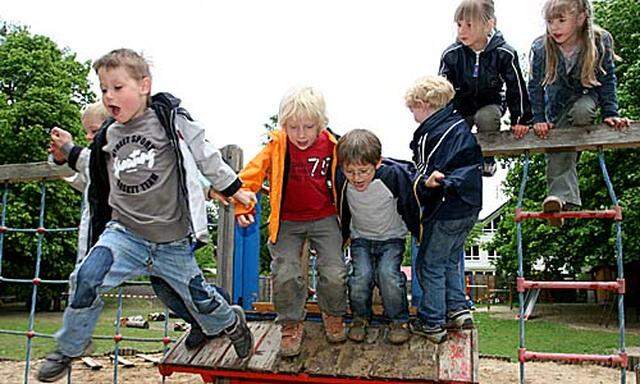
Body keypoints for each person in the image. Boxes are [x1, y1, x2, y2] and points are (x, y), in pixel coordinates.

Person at [38, 48, 255, 383]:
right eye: (104, 89)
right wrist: (62, 154)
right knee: (86, 277)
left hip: (172, 243)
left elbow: (204, 154)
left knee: (201, 300)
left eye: (117, 88)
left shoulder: (169, 119)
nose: (109, 96)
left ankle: (230, 322)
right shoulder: (109, 135)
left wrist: (233, 187)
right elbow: (85, 165)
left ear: (143, 85)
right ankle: (70, 346)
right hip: (125, 236)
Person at [234, 86, 347, 357]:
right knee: (285, 273)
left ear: (321, 123)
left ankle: (333, 314)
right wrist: (241, 207)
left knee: (333, 271)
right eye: (293, 127)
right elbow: (249, 177)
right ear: (283, 124)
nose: (301, 134)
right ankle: (291, 323)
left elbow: (362, 162)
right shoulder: (277, 146)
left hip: (325, 216)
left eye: (309, 127)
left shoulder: (333, 145)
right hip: (287, 220)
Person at [528, 0, 629, 226]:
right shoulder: (541, 47)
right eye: (550, 21)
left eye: (561, 20)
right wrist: (538, 119)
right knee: (558, 141)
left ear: (581, 18)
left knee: (582, 113)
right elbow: (534, 86)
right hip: (556, 105)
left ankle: (564, 198)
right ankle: (559, 200)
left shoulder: (600, 41)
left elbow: (607, 78)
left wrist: (611, 112)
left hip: (586, 95)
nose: (555, 27)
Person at [405, 75, 483, 344]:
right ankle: (458, 309)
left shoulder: (432, 133)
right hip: (469, 205)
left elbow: (425, 172)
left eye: (412, 107)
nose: (412, 113)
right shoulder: (459, 126)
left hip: (445, 205)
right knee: (450, 259)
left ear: (424, 104)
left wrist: (422, 185)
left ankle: (432, 322)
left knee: (430, 264)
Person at [335, 129, 424, 345]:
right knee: (359, 278)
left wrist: (418, 231)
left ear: (377, 163)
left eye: (363, 171)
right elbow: (341, 208)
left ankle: (399, 320)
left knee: (388, 275)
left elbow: (410, 203)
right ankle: (360, 318)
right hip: (361, 240)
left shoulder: (393, 177)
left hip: (391, 239)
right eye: (350, 171)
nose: (357, 178)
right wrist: (342, 237)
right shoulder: (342, 179)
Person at [439, 0, 532, 177]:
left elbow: (516, 87)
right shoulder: (451, 55)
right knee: (456, 127)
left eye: (469, 25)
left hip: (490, 101)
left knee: (486, 118)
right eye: (459, 25)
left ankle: (487, 158)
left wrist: (520, 119)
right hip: (460, 104)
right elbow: (441, 91)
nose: (462, 31)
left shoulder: (504, 53)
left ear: (488, 25)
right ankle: (458, 165)